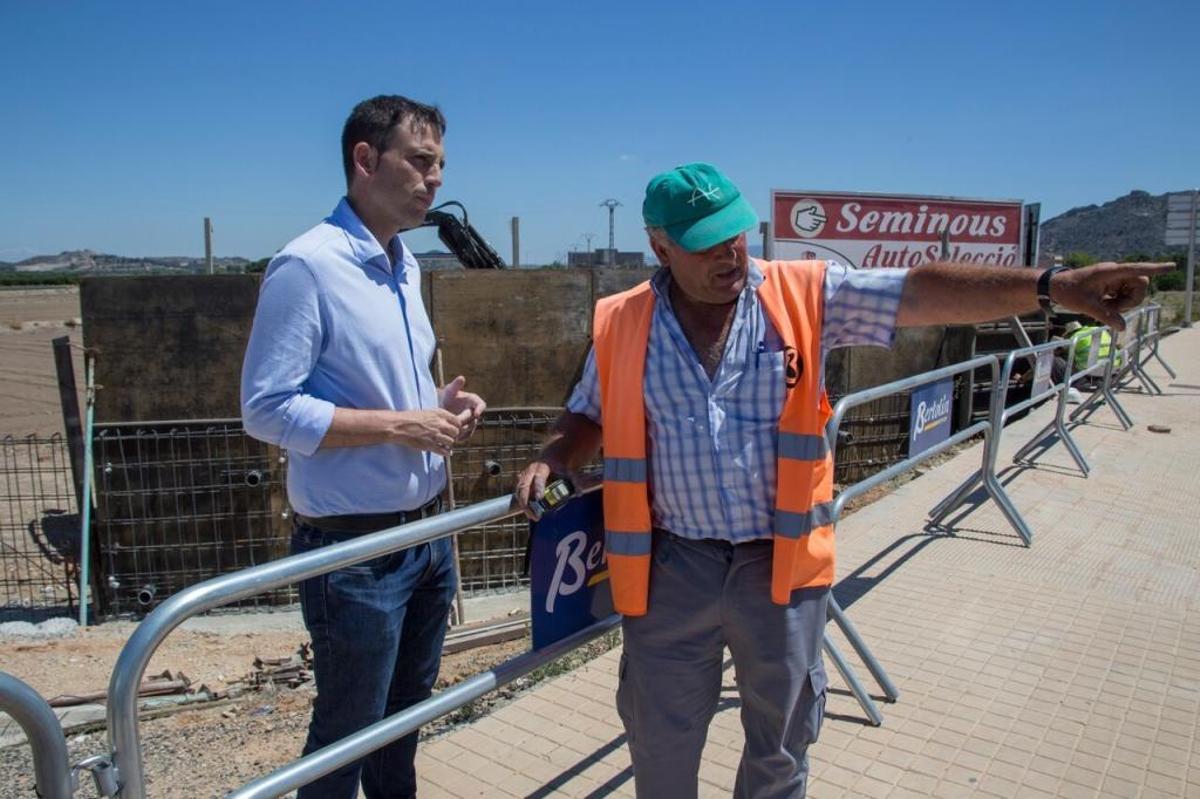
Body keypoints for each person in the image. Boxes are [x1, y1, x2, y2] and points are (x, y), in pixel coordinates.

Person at [513, 162, 1170, 799]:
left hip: (781, 567)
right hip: (672, 569)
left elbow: (919, 291)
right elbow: (588, 411)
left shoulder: (803, 295)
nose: (730, 253)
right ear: (659, 245)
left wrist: (1056, 286)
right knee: (661, 740)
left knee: (782, 742)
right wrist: (557, 455)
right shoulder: (624, 322)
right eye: (706, 242)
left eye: (735, 233)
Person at [241, 94, 485, 799]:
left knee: (401, 730)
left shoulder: (404, 264)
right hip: (355, 553)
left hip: (425, 539)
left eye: (439, 164)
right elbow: (265, 408)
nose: (434, 179)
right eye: (419, 160)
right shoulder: (307, 266)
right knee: (345, 739)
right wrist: (398, 426)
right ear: (364, 159)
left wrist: (438, 410)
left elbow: (382, 395)